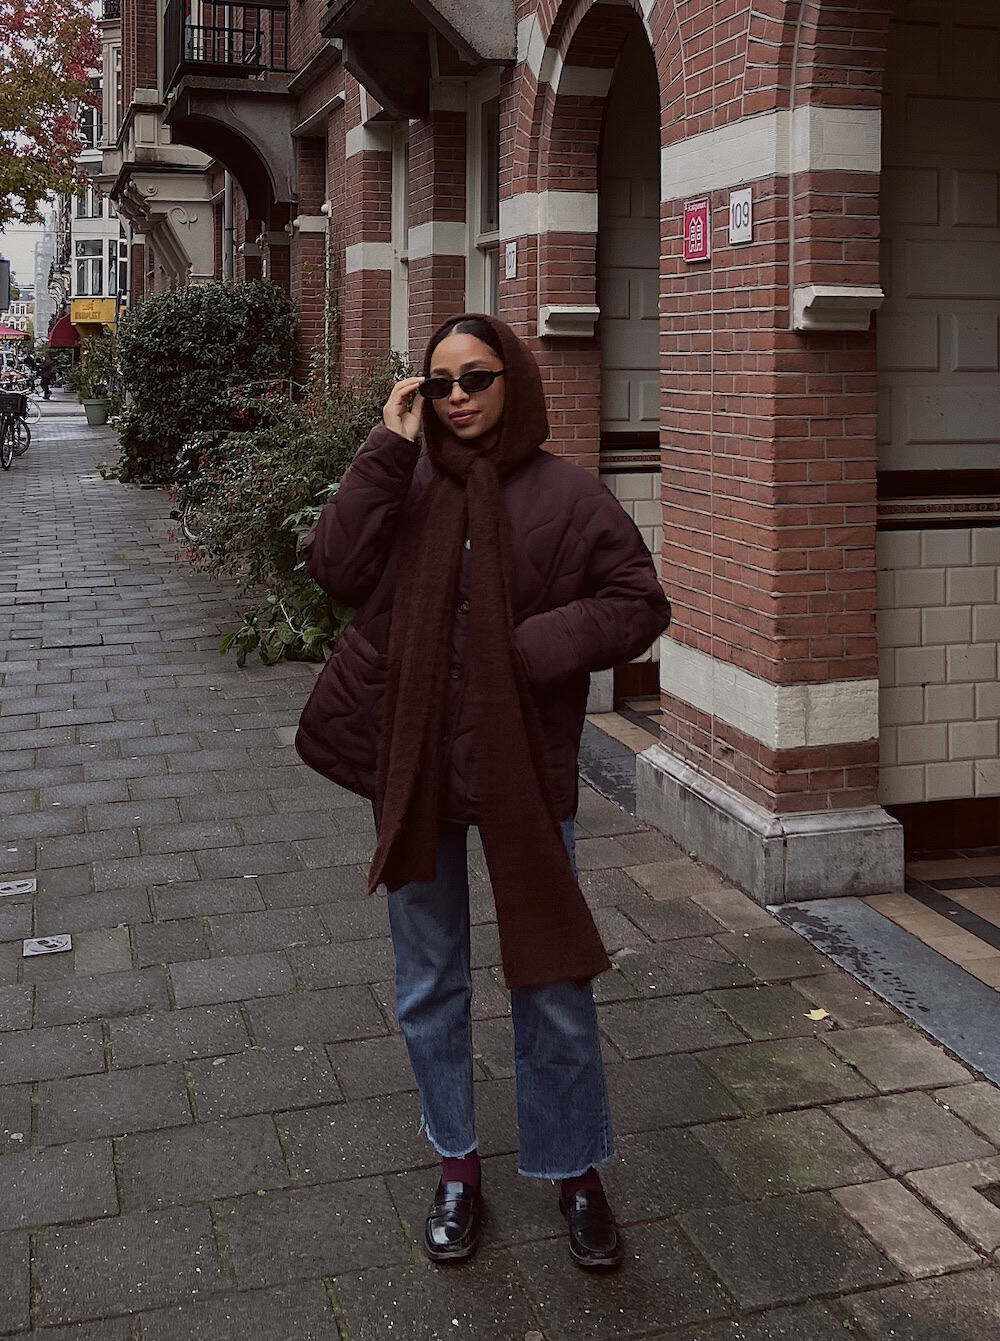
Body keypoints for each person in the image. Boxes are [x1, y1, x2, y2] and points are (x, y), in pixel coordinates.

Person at [296, 314, 671, 1271]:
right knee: (430, 981)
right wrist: (386, 446)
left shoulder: (570, 497)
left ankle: (575, 1168)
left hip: (522, 769)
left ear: (516, 382)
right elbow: (335, 569)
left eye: (478, 376)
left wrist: (532, 648)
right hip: (413, 765)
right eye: (440, 382)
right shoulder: (405, 482)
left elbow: (640, 602)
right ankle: (457, 1164)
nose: (458, 395)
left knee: (552, 982)